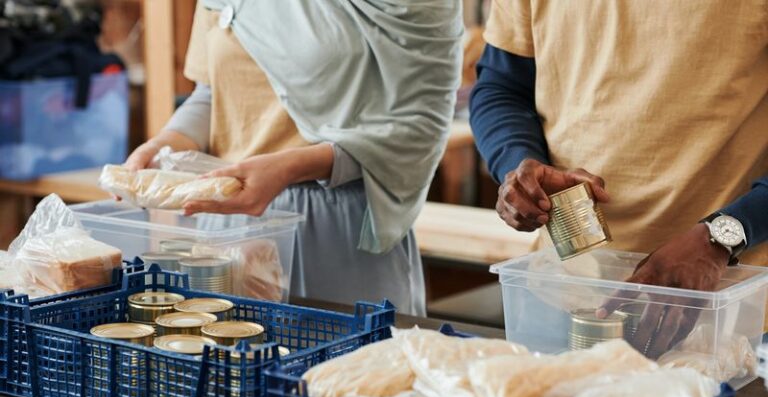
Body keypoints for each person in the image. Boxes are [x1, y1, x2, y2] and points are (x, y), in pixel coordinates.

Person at [123, 1, 463, 315]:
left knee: (343, 376)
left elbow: (421, 126)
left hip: (338, 229)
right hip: (227, 228)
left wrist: (289, 167)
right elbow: (211, 95)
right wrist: (165, 143)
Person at [470, 0, 767, 355]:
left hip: (727, 306)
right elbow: (502, 87)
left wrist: (722, 237)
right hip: (564, 288)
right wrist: (518, 161)